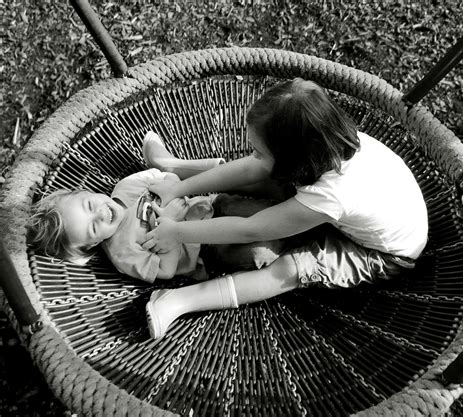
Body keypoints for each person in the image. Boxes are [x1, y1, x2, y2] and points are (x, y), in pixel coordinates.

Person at [142, 78, 429, 340]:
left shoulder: (332, 193)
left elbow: (250, 229)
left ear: (295, 161)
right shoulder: (324, 145)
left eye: (259, 150)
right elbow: (252, 169)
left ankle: (177, 300)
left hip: (383, 253)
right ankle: (173, 169)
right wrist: (177, 190)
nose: (252, 154)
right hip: (367, 211)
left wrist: (176, 231)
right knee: (262, 173)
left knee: (292, 269)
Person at [28, 132, 287, 283]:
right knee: (260, 250)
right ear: (91, 245)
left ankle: (293, 213)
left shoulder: (126, 187)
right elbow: (166, 270)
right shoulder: (122, 252)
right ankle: (298, 246)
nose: (100, 212)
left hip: (211, 208)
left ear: (87, 192)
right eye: (94, 226)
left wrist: (169, 200)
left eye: (89, 205)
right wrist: (171, 237)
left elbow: (168, 179)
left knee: (265, 206)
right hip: (208, 254)